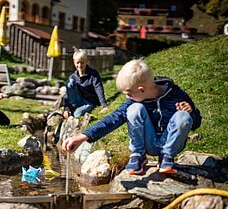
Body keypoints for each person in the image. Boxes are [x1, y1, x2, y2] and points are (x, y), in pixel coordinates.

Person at [62, 59, 202, 175]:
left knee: (183, 116)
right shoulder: (135, 100)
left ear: (141, 89)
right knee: (134, 110)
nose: (127, 97)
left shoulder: (176, 94)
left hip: (170, 143)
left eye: (129, 93)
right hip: (150, 142)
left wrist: (190, 113)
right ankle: (138, 155)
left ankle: (166, 157)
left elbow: (196, 122)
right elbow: (114, 118)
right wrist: (83, 136)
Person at [63, 49, 108, 119]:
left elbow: (98, 88)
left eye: (82, 63)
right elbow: (67, 93)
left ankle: (76, 110)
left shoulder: (93, 74)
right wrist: (66, 108)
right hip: (78, 99)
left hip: (90, 101)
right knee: (70, 82)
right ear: (74, 63)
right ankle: (71, 108)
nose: (80, 65)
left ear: (87, 62)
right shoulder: (73, 77)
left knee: (77, 114)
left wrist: (104, 105)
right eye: (77, 63)